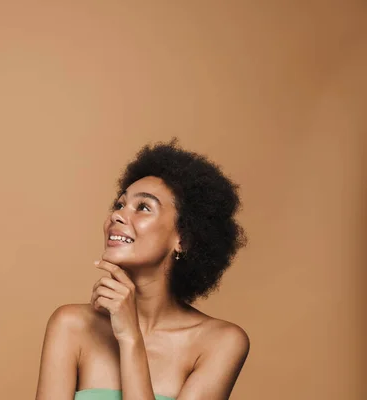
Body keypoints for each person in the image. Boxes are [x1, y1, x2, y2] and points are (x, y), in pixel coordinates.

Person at [34, 139, 250, 400]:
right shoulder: (71, 326)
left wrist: (130, 338)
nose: (117, 215)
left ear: (184, 238)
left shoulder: (220, 343)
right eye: (119, 204)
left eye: (144, 207)